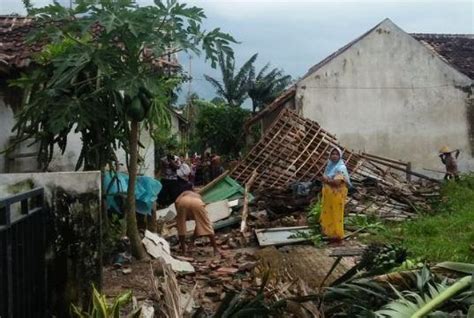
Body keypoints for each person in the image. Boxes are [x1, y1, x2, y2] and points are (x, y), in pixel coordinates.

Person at [174, 191, 222, 256]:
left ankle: (184, 251)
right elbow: (199, 225)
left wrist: (179, 214)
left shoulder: (185, 192)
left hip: (183, 202)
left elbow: (177, 201)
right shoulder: (198, 196)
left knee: (181, 227)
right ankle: (215, 250)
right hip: (197, 203)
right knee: (206, 225)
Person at [320, 147, 351, 242]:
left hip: (337, 195)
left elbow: (337, 182)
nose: (334, 156)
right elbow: (325, 178)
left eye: (336, 154)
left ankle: (337, 235)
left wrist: (326, 180)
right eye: (332, 154)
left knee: (336, 214)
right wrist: (326, 179)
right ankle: (328, 233)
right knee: (328, 213)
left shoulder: (341, 168)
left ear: (340, 156)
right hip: (329, 196)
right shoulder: (329, 166)